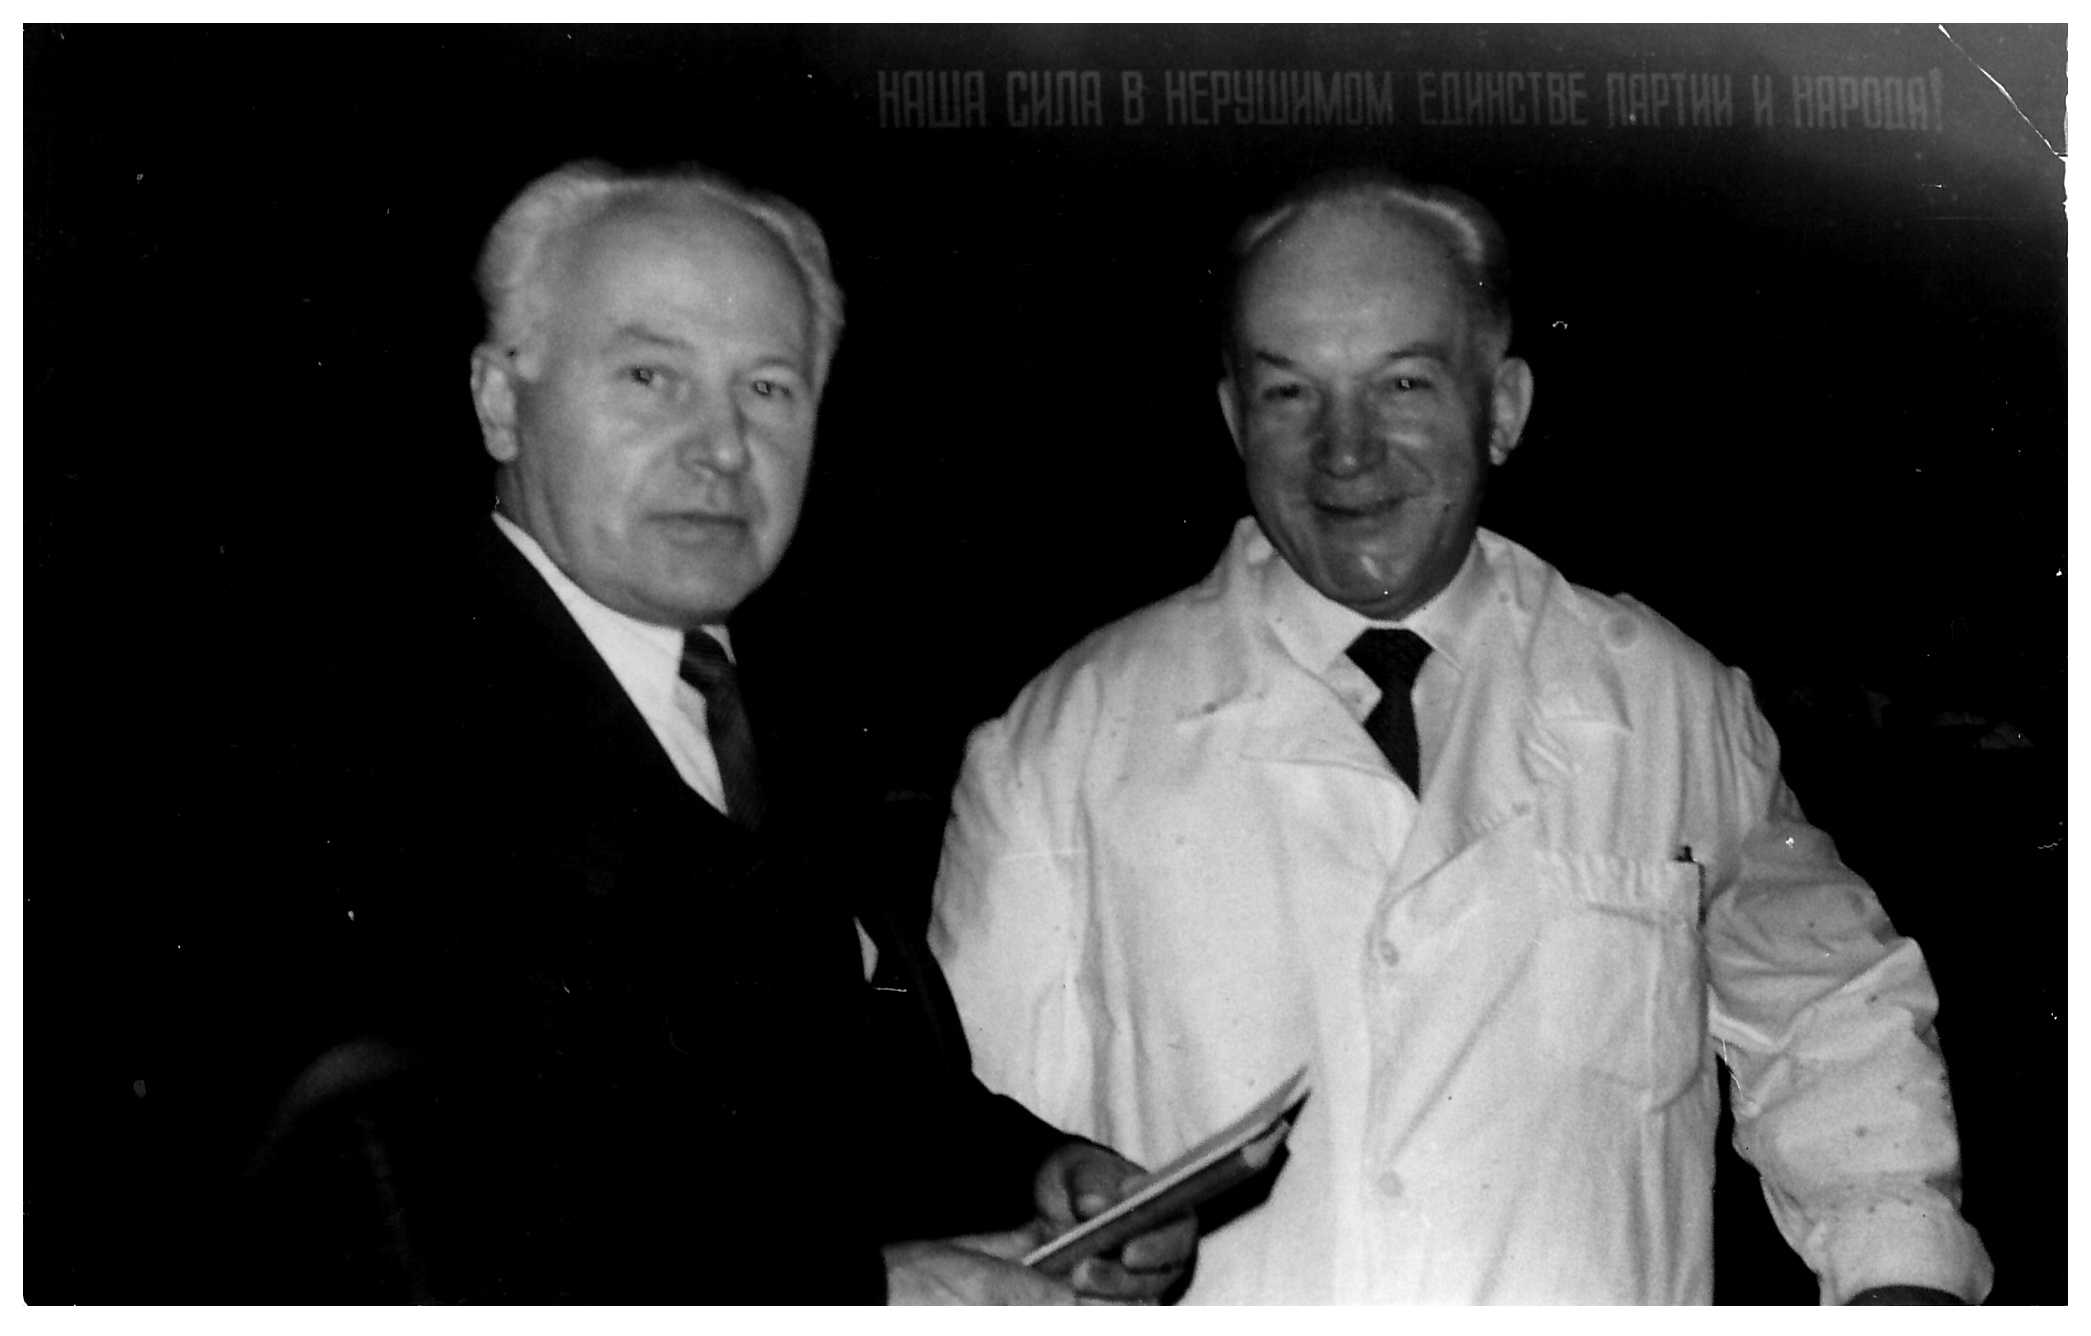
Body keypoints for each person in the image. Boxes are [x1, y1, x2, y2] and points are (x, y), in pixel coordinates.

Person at [929, 169, 1993, 1304]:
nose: (1344, 451)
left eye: (1402, 383)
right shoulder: (1059, 745)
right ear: (1234, 417)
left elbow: (1828, 1010)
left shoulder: (1666, 704)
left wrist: (1902, 1281)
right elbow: (971, 1154)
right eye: (1289, 392)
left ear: (1504, 407)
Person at [243, 160, 1195, 1304]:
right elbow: (383, 1208)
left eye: (768, 389)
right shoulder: (355, 730)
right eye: (651, 376)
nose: (723, 447)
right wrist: (856, 1294)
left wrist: (1041, 1175)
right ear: (499, 399)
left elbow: (831, 1088)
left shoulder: (789, 713)